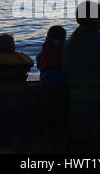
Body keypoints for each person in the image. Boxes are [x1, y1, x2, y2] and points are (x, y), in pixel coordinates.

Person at [62, 1, 100, 153]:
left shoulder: (69, 43)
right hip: (99, 103)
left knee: (79, 143)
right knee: (98, 144)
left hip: (74, 103)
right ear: (98, 18)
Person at [0, 33, 35, 149]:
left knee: (4, 120)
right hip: (23, 95)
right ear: (13, 46)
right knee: (23, 120)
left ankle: (6, 141)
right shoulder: (21, 59)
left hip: (5, 97)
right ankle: (26, 140)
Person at [36, 25, 68, 153]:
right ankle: (61, 144)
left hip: (46, 88)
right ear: (64, 38)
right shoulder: (67, 49)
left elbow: (39, 62)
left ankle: (45, 144)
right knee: (61, 116)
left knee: (46, 118)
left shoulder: (44, 51)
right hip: (63, 87)